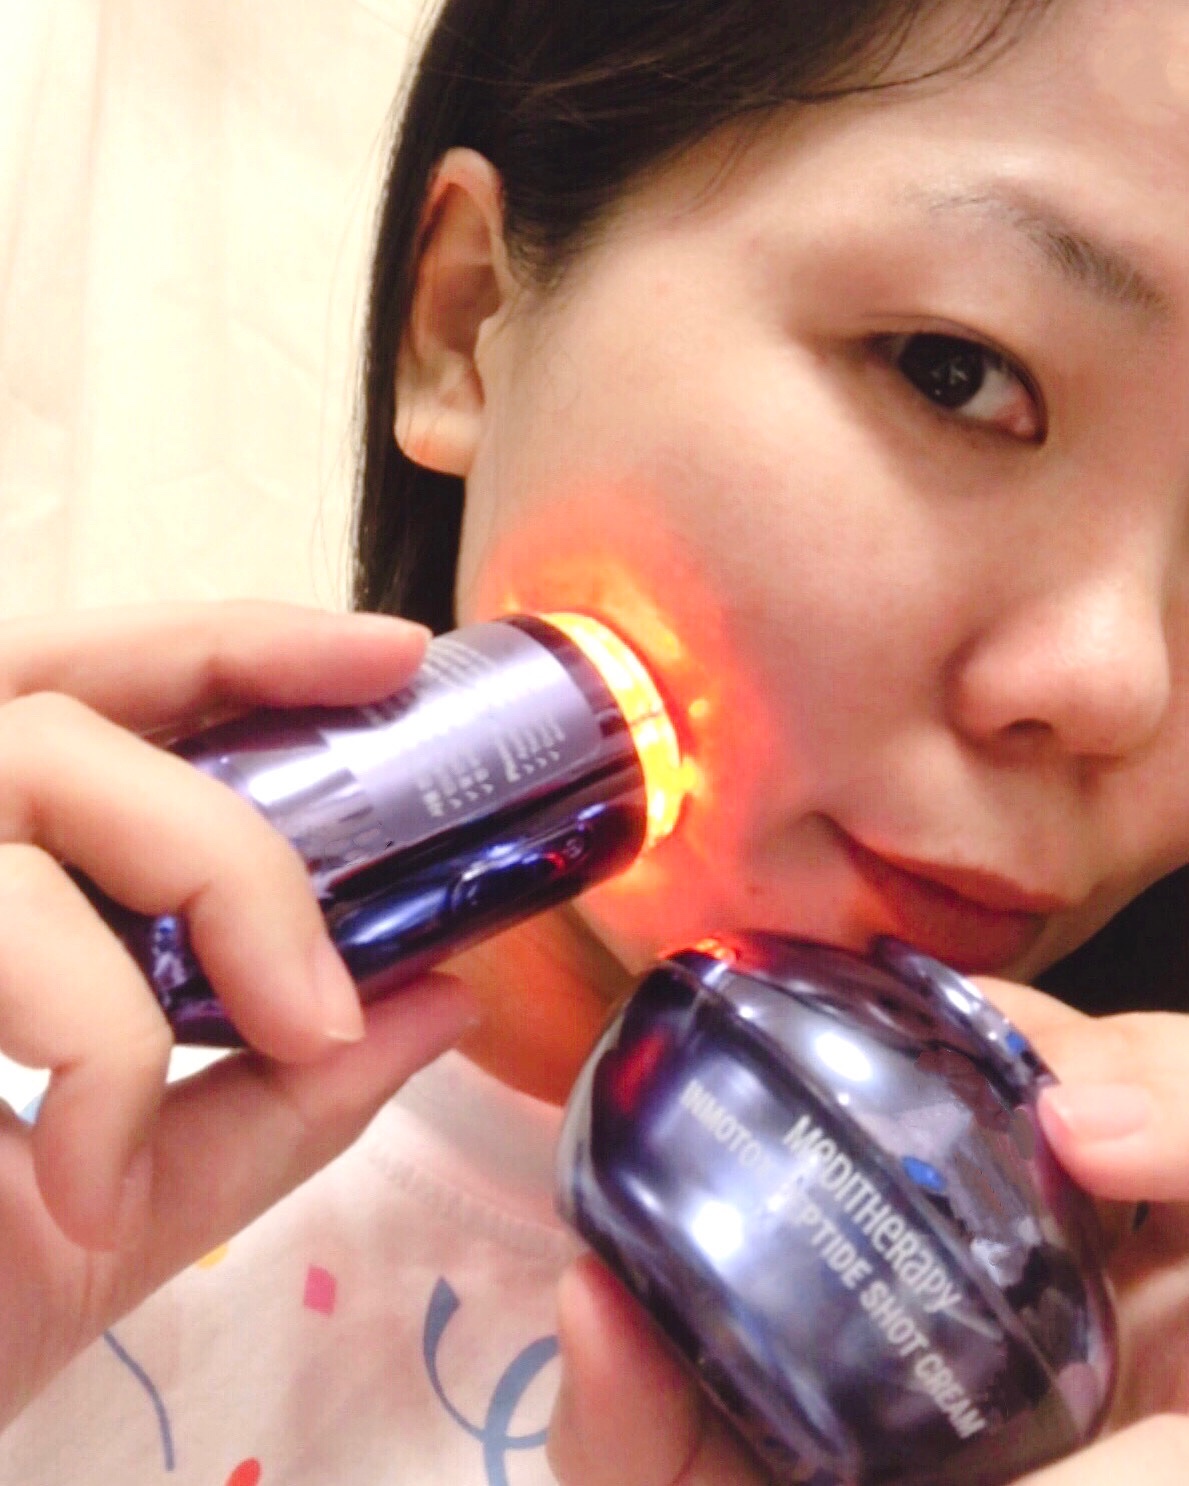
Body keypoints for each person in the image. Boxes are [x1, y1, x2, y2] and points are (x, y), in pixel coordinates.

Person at [3, 0, 1189, 1480]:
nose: (1116, 683)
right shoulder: (45, 1106)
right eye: (953, 371)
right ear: (464, 320)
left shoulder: (1116, 1368)